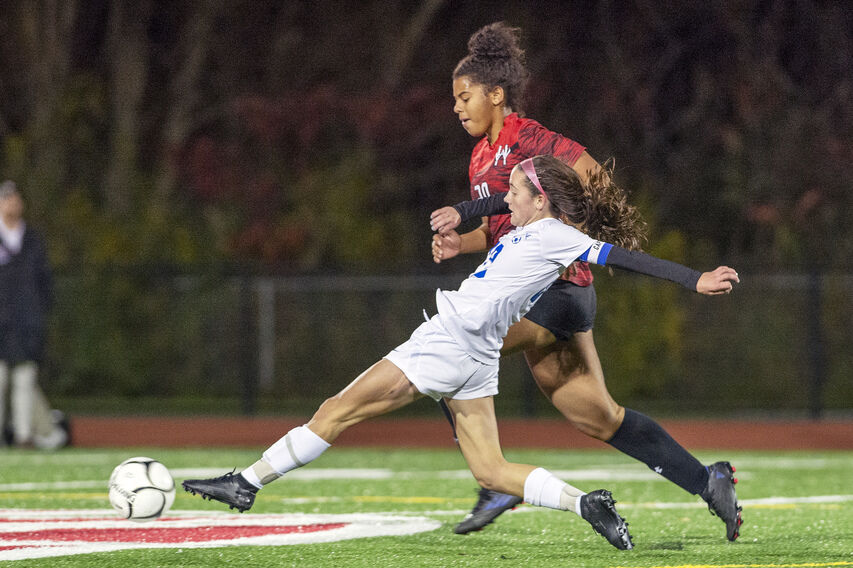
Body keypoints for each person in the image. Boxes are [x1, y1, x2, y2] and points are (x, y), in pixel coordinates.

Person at [183, 154, 739, 551]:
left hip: (449, 342)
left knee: (336, 410)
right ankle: (585, 504)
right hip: (477, 356)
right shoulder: (530, 225)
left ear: (539, 199)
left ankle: (247, 483)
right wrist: (462, 208)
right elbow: (499, 200)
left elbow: (630, 258)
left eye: (516, 191)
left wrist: (695, 281)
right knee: (493, 472)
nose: (506, 200)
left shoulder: (556, 237)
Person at [427, 22, 742, 540]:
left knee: (449, 353)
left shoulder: (529, 139)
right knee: (601, 417)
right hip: (547, 299)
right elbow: (495, 228)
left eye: (465, 97)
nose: (457, 107)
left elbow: (592, 178)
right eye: (454, 100)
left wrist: (566, 235)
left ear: (497, 94)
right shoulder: (481, 156)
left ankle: (496, 482)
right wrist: (459, 243)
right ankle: (707, 480)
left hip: (554, 292)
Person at [0, 180, 63, 449]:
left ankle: (23, 437)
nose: (11, 203)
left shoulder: (33, 239)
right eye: (6, 199)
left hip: (26, 324)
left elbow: (44, 283)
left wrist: (37, 314)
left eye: (15, 198)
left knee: (25, 380)